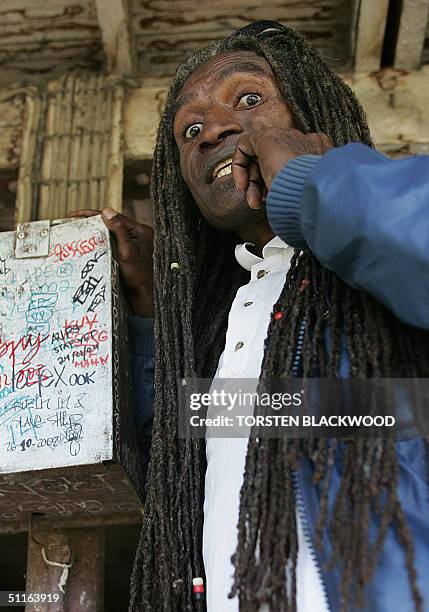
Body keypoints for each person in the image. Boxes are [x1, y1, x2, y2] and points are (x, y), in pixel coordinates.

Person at [80, 21, 429, 612]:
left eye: (248, 98)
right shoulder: (237, 318)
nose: (211, 128)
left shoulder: (377, 264)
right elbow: (171, 467)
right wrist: (144, 312)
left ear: (314, 112)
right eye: (189, 129)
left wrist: (310, 178)